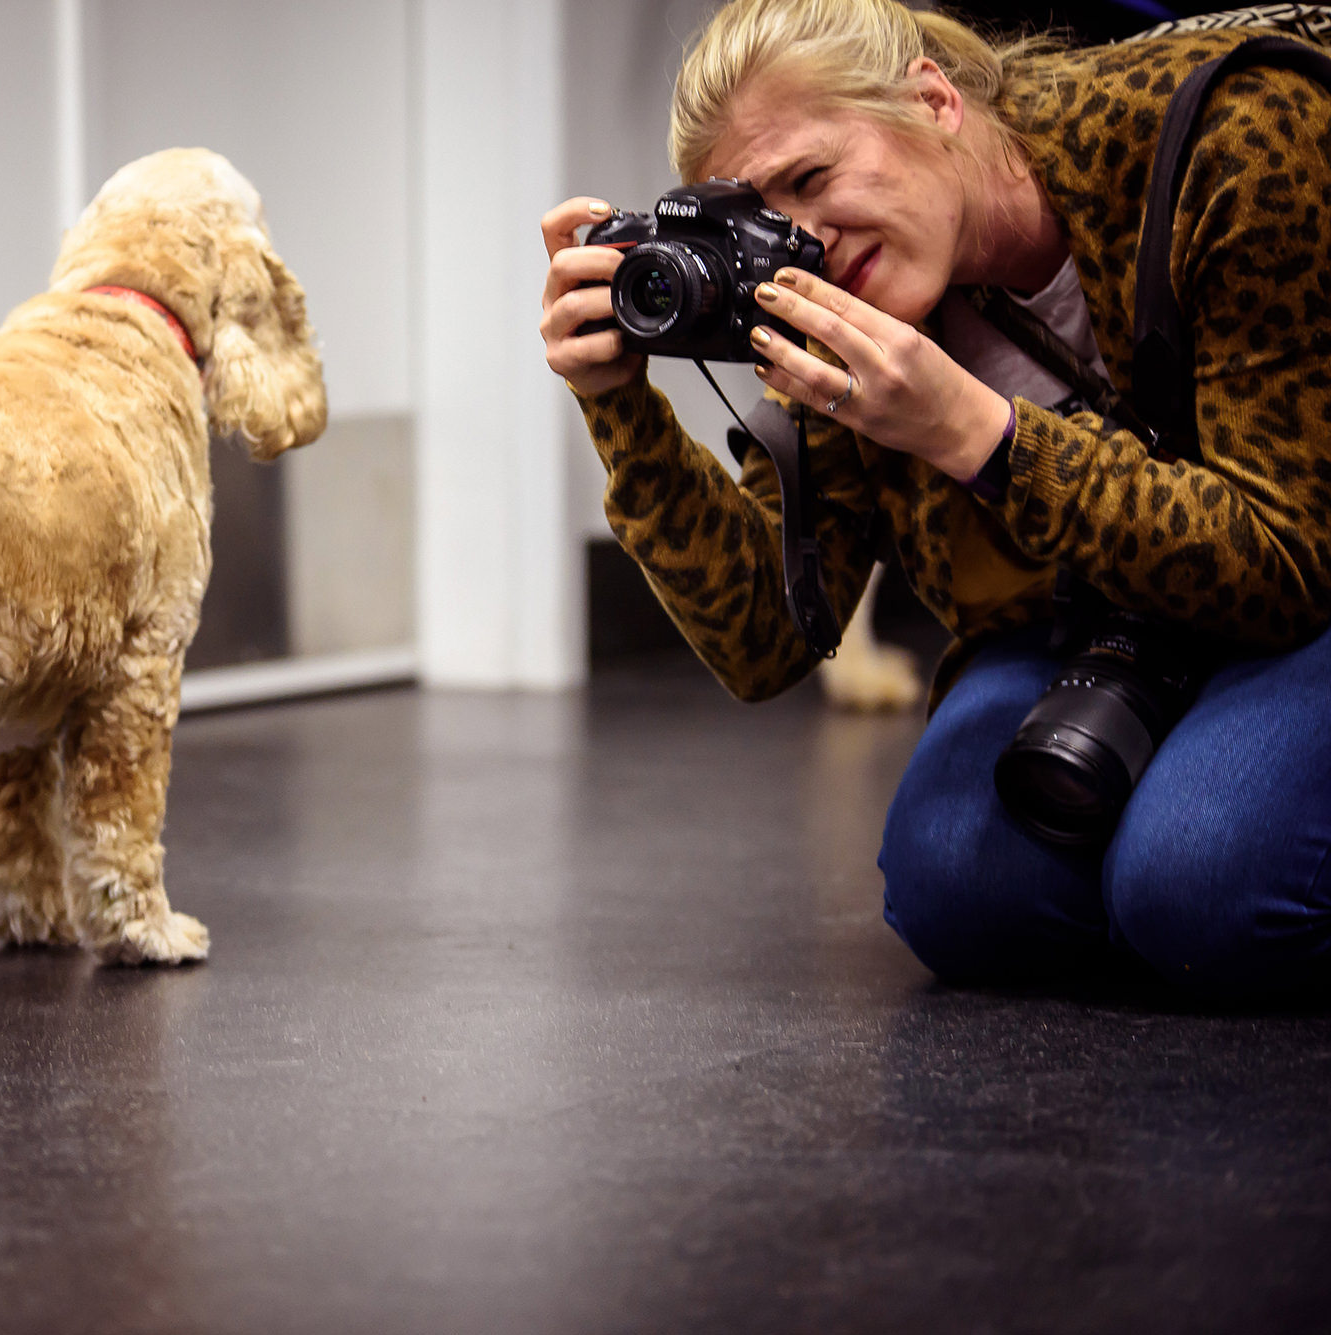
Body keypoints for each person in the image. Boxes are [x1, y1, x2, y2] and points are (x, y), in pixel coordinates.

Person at [540, 0, 1331, 993]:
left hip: (1301, 600)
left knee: (1200, 882)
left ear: (932, 100)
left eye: (813, 177)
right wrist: (619, 409)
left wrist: (970, 432)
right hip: (1086, 620)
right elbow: (766, 640)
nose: (807, 241)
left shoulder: (1233, 132)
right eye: (765, 217)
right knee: (955, 886)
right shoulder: (831, 299)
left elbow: (1289, 560)